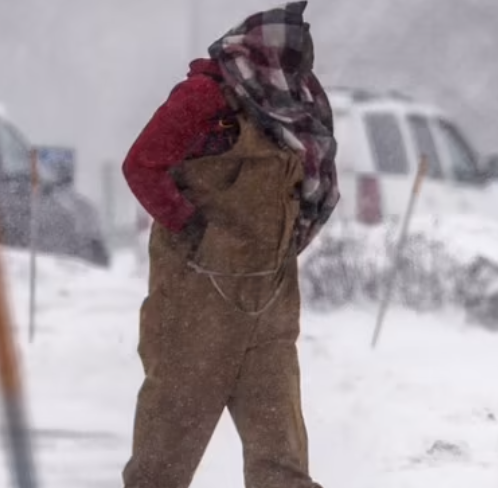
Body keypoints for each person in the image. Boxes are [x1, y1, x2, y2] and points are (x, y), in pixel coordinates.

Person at [120, 2, 338, 487]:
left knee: (280, 456)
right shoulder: (202, 97)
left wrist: (288, 241)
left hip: (270, 299)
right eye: (287, 61)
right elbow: (141, 165)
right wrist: (191, 225)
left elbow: (317, 184)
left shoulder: (299, 100)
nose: (295, 73)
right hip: (196, 301)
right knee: (165, 451)